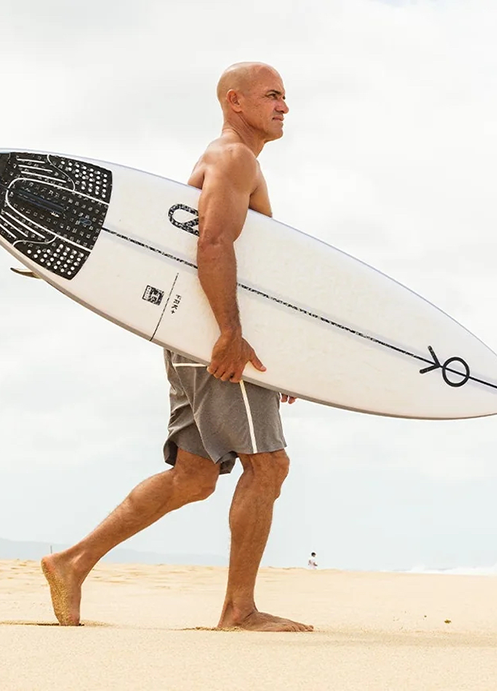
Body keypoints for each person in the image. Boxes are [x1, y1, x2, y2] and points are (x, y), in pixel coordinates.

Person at [41, 62, 310, 632]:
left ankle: (72, 562)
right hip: (213, 338)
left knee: (195, 476)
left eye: (286, 97)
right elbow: (211, 243)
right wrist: (231, 336)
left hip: (193, 336)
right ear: (235, 101)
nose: (284, 106)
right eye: (272, 96)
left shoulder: (231, 160)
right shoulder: (234, 158)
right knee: (268, 466)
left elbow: (247, 266)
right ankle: (239, 610)